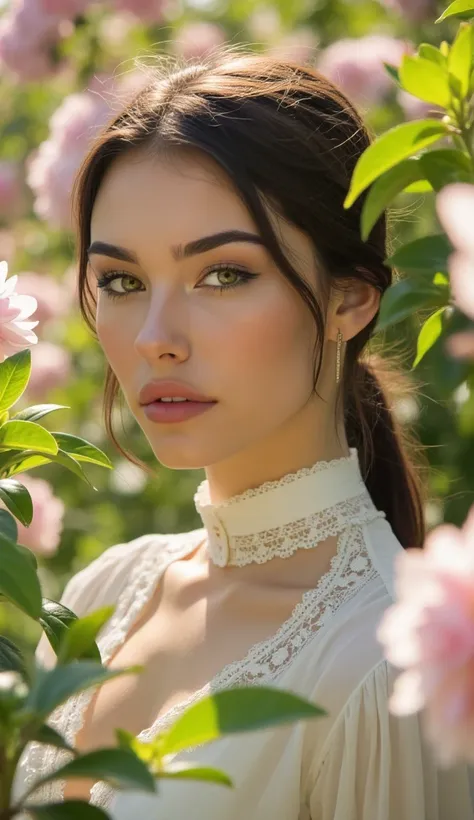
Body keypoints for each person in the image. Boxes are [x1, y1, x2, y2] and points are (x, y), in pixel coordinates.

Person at [14, 48, 474, 819]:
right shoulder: (102, 593)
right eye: (122, 282)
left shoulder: (377, 664)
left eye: (223, 274)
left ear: (351, 299)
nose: (157, 337)